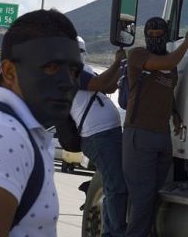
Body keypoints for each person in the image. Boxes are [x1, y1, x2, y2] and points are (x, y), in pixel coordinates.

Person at [0, 9, 82, 236]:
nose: (67, 83)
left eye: (74, 71)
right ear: (9, 72)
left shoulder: (21, 131)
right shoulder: (5, 134)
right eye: (51, 67)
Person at [122, 17, 188, 237]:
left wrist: (174, 114)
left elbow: (166, 91)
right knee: (143, 199)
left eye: (159, 33)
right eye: (151, 34)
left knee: (155, 196)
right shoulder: (138, 55)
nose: (155, 37)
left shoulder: (169, 63)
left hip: (162, 137)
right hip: (139, 135)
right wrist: (187, 42)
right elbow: (166, 64)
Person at [72, 36, 127, 237]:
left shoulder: (84, 70)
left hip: (106, 133)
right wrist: (117, 63)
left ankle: (113, 230)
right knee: (116, 186)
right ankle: (113, 233)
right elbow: (98, 83)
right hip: (98, 136)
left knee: (115, 185)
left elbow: (108, 87)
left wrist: (120, 68)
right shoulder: (70, 72)